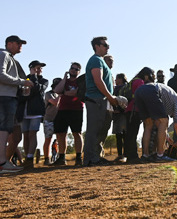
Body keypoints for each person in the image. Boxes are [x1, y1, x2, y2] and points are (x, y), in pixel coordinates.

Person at [0, 35, 31, 174]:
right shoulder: (3, 54)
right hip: (5, 96)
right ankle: (2, 162)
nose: (20, 46)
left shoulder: (3, 55)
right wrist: (22, 82)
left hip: (2, 95)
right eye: (18, 43)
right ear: (9, 44)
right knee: (4, 129)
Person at [83, 36, 118, 167]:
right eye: (105, 45)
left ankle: (96, 157)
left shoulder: (101, 61)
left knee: (101, 130)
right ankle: (90, 159)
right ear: (97, 46)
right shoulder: (95, 60)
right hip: (96, 100)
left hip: (102, 100)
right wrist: (110, 98)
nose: (108, 47)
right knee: (93, 131)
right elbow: (98, 81)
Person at [133, 68, 177, 162]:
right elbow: (176, 123)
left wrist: (166, 136)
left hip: (138, 92)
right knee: (164, 121)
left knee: (148, 125)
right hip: (151, 90)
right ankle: (160, 155)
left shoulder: (169, 100)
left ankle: (145, 155)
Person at [18, 61, 49, 170]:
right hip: (24, 111)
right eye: (37, 68)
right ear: (31, 68)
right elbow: (20, 94)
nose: (39, 69)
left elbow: (38, 89)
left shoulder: (44, 81)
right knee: (25, 135)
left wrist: (33, 76)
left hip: (35, 111)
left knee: (32, 134)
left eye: (41, 68)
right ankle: (27, 158)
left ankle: (30, 157)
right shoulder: (24, 79)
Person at [53, 62, 84, 166]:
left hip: (76, 109)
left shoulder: (80, 82)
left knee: (76, 133)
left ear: (79, 72)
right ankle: (61, 157)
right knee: (61, 134)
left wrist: (64, 93)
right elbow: (57, 90)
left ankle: (79, 157)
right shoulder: (65, 81)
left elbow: (74, 93)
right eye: (72, 68)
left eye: (76, 69)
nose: (73, 70)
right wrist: (64, 78)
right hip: (63, 109)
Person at [41, 78, 61, 166]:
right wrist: (61, 94)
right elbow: (54, 102)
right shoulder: (48, 94)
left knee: (60, 139)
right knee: (48, 139)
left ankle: (60, 158)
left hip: (59, 119)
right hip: (49, 119)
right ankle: (46, 159)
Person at [111, 73, 128, 162]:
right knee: (118, 135)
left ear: (121, 79)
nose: (115, 80)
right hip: (116, 115)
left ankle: (124, 155)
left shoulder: (125, 88)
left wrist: (120, 110)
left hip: (123, 114)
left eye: (117, 78)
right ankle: (120, 155)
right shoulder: (115, 89)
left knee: (123, 135)